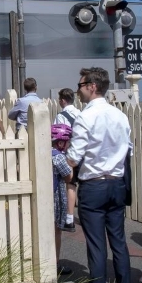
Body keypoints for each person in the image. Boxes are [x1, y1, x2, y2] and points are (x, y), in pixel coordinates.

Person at [66, 67, 132, 283]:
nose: (78, 91)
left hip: (93, 184)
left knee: (96, 245)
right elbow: (128, 149)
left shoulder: (85, 117)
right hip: (116, 182)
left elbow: (74, 157)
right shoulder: (120, 116)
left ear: (92, 86)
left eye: (81, 86)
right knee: (118, 241)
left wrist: (65, 159)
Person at [53, 88, 81, 232]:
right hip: (82, 152)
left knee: (70, 183)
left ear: (63, 100)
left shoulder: (61, 116)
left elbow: (57, 135)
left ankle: (69, 218)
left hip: (69, 153)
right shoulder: (80, 113)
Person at [51, 124, 75, 276]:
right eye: (67, 142)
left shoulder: (45, 153)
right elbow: (69, 177)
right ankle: (55, 264)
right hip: (56, 199)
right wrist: (71, 162)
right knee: (56, 232)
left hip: (44, 197)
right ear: (60, 143)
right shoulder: (59, 157)